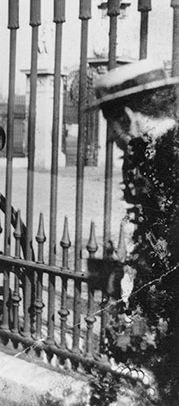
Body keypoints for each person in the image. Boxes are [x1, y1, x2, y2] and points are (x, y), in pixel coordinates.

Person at [91, 59, 179, 403]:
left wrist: (124, 284)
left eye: (110, 124)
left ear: (126, 116)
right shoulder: (161, 153)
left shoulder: (166, 160)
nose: (112, 138)